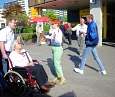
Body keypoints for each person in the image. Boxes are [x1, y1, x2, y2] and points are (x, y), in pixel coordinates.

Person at [49, 19, 66, 85]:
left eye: (53, 24)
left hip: (57, 48)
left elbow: (59, 41)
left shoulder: (58, 31)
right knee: (54, 63)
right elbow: (50, 37)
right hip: (53, 47)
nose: (52, 25)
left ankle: (62, 78)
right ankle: (58, 76)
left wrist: (54, 37)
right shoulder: (53, 30)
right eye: (51, 24)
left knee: (57, 64)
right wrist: (45, 36)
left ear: (57, 24)